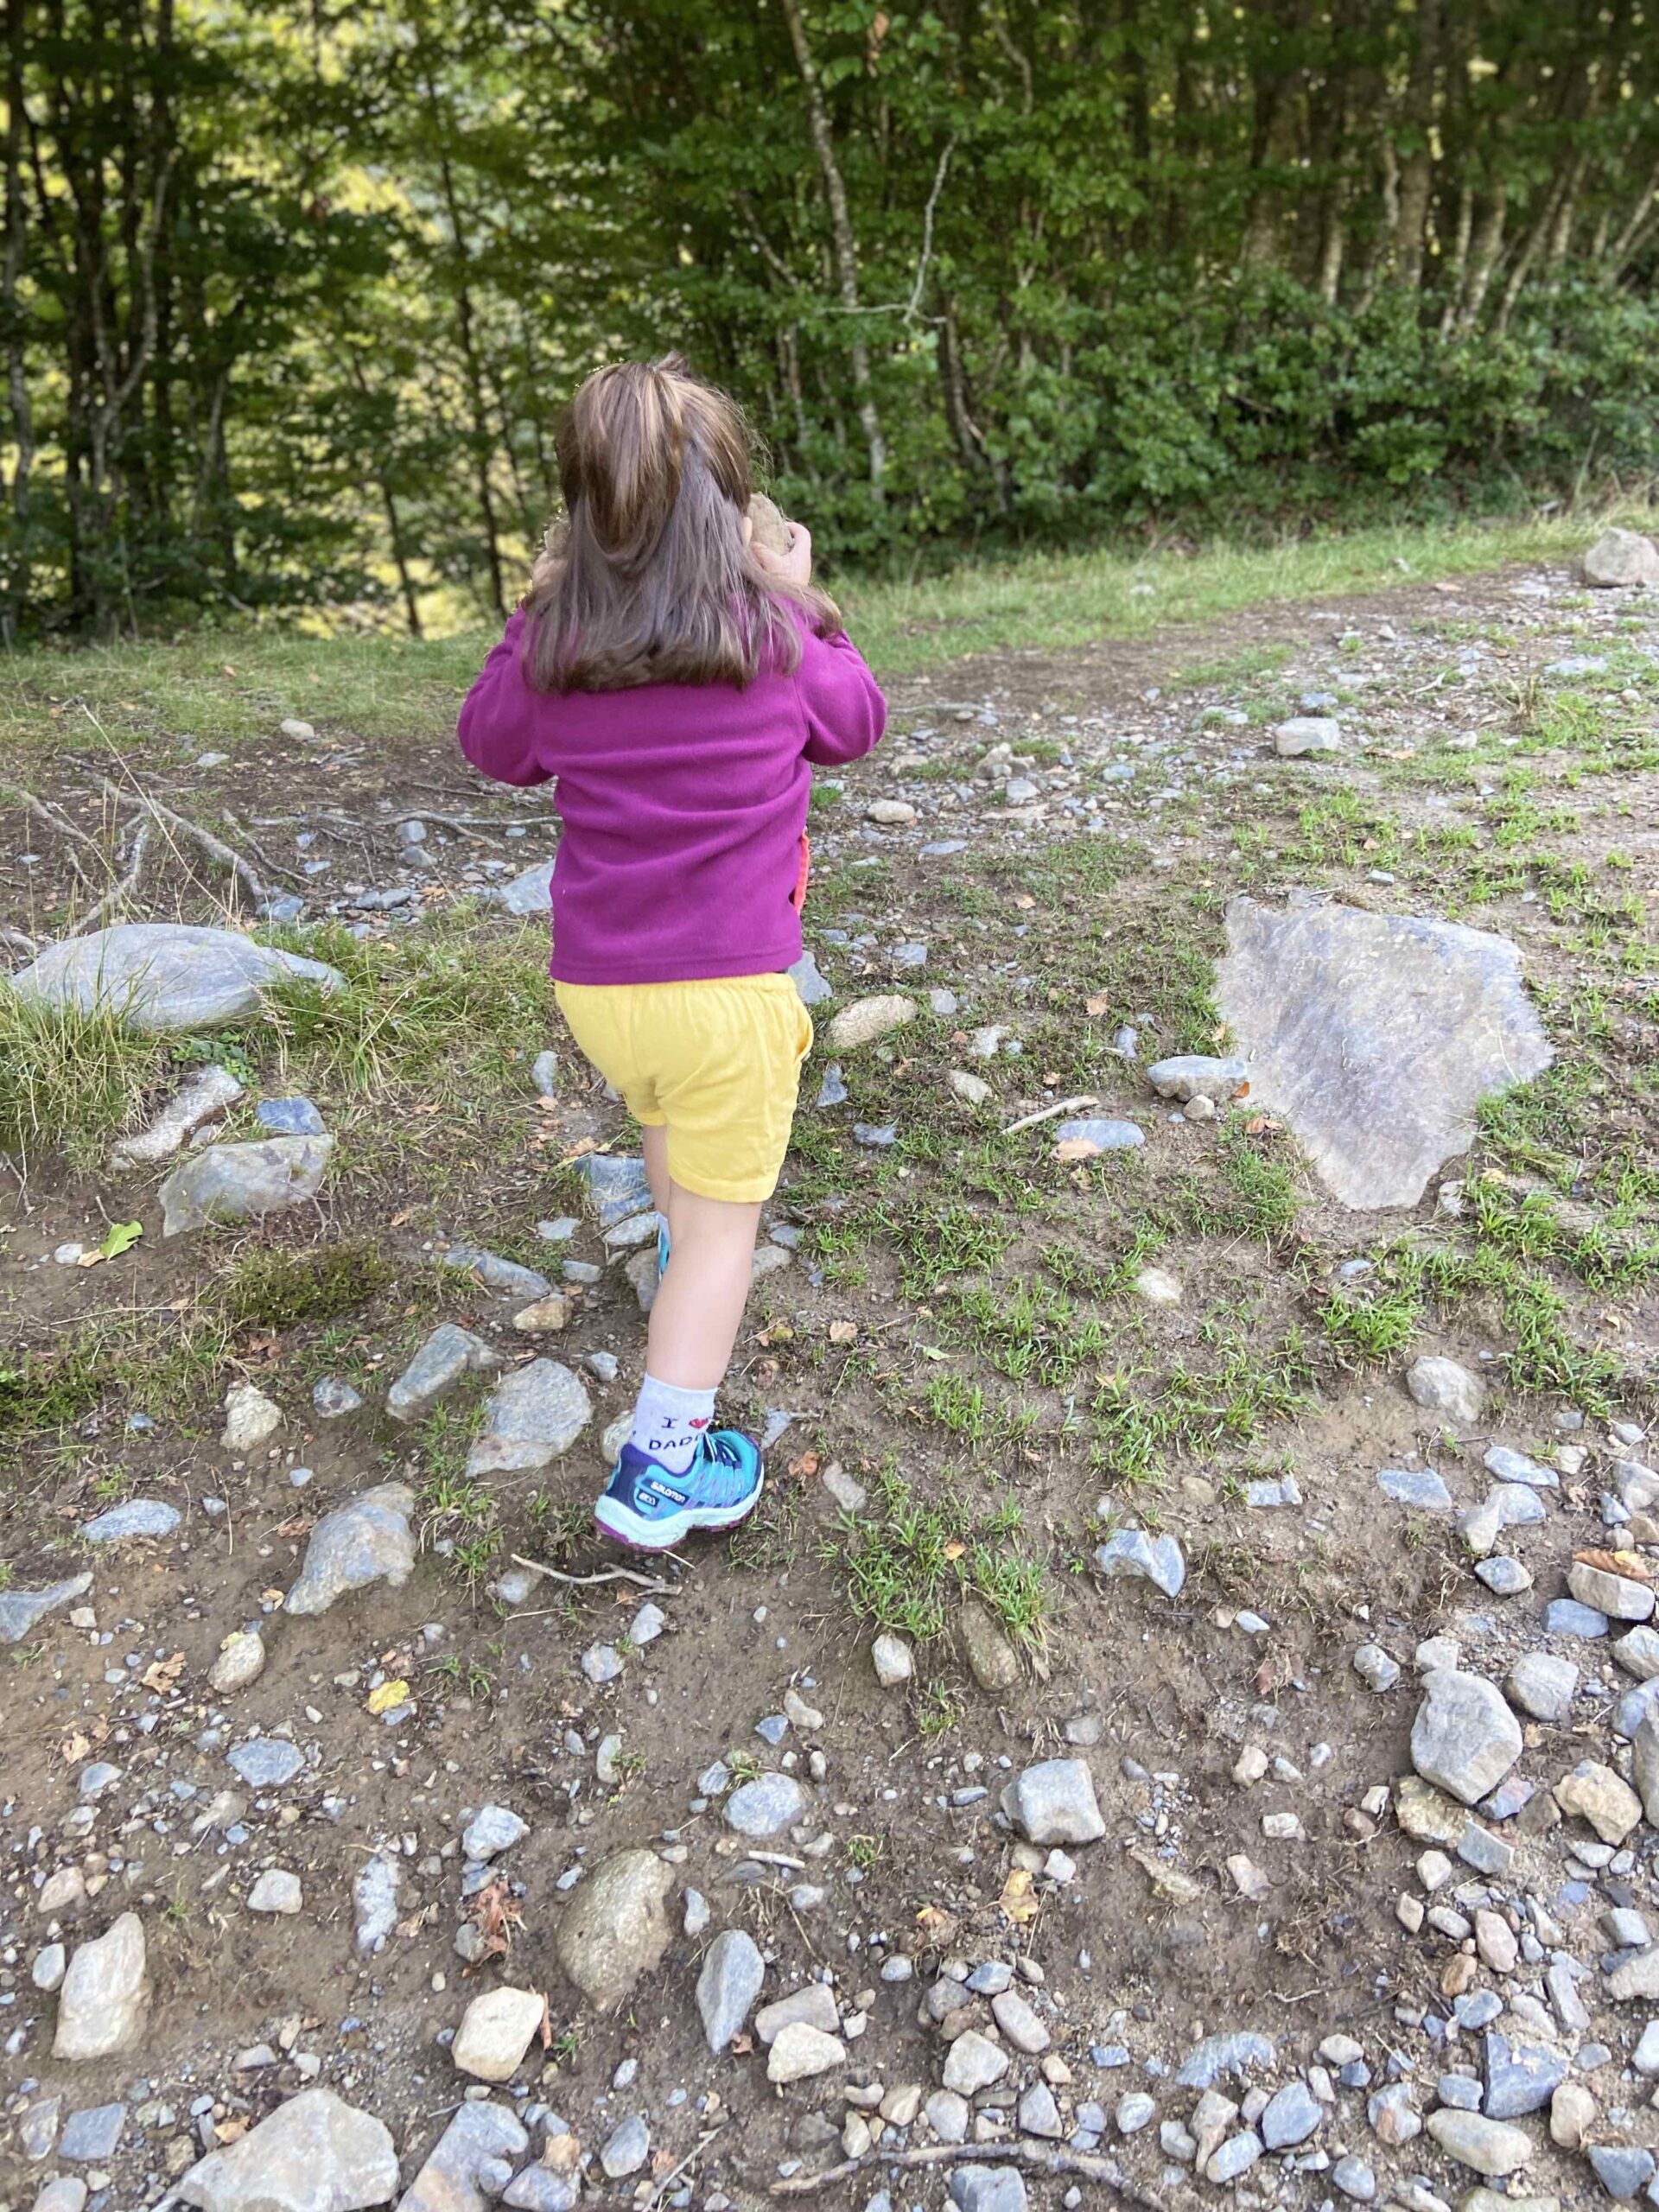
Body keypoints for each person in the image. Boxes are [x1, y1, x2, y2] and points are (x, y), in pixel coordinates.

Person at [457, 355, 887, 1550]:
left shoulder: (559, 661)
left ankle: (675, 1255)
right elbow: (858, 726)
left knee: (669, 1133)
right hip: (731, 999)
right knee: (727, 1234)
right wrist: (805, 599)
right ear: (737, 522)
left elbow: (490, 745)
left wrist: (532, 611)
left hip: (605, 996)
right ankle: (662, 1470)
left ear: (582, 529)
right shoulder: (774, 647)